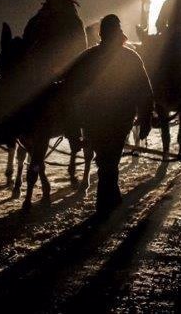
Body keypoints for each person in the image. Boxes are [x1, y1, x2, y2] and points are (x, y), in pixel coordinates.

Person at [65, 14, 153, 215]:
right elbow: (145, 91)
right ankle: (108, 202)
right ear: (118, 33)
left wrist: (72, 128)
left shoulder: (87, 57)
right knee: (110, 158)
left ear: (102, 34)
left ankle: (108, 200)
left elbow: (69, 93)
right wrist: (146, 119)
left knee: (106, 158)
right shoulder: (131, 57)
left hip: (93, 117)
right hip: (121, 117)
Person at [23, 0, 87, 85]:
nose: (51, 1)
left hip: (64, 76)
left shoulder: (73, 21)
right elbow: (27, 38)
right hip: (41, 73)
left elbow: (80, 47)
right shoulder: (42, 19)